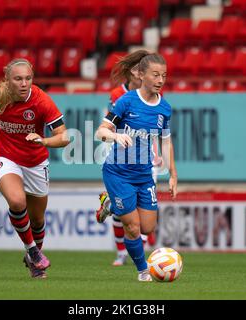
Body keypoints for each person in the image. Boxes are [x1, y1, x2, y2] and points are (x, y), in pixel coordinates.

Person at [0, 58, 70, 279]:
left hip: (35, 162)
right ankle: (32, 251)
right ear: (8, 80)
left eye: (28, 78)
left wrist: (44, 141)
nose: (24, 84)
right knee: (17, 201)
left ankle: (34, 260)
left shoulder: (41, 101)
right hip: (2, 155)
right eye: (18, 79)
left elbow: (64, 137)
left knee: (38, 219)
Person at [95, 52, 177, 281]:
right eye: (155, 75)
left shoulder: (164, 108)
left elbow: (166, 141)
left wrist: (173, 175)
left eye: (164, 75)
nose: (160, 80)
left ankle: (110, 204)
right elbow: (100, 130)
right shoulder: (126, 101)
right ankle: (143, 271)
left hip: (144, 174)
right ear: (141, 75)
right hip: (118, 173)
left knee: (147, 228)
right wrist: (114, 137)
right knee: (132, 226)